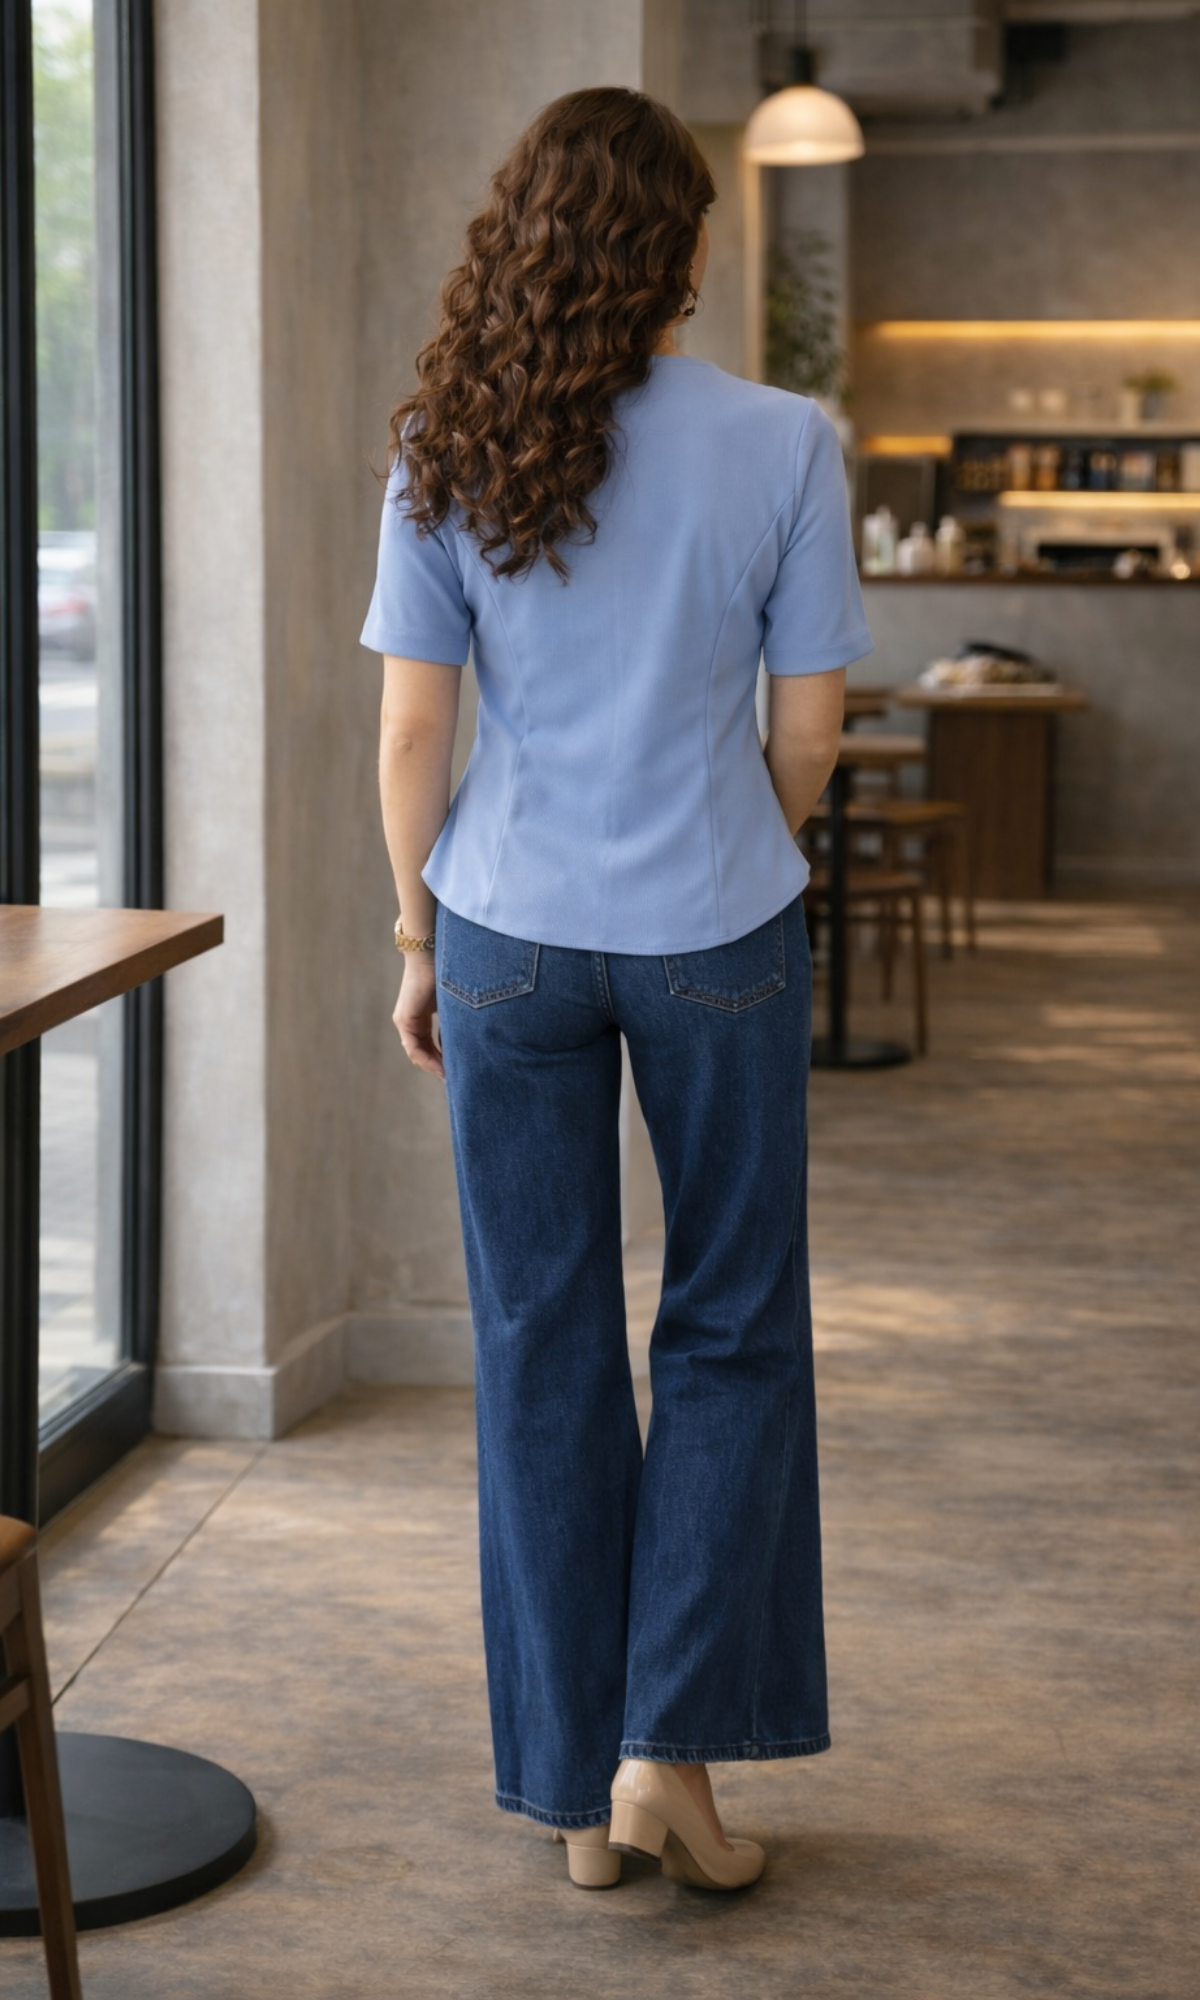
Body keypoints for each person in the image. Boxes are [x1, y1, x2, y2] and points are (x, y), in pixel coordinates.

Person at [361, 86, 872, 1893]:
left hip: (504, 933)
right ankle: (671, 1753)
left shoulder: (451, 439)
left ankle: (579, 1801)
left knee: (540, 1339)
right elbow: (809, 732)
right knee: (730, 1325)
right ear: (685, 251)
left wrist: (417, 941)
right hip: (716, 930)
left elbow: (412, 736)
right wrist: (740, 848)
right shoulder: (786, 441)